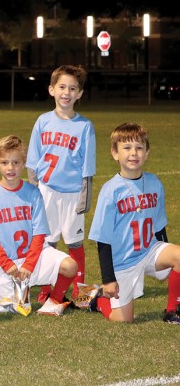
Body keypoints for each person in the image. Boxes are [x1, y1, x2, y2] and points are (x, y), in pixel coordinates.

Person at [0, 135, 78, 316]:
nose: (10, 168)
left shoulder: (33, 193)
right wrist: (6, 264)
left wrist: (29, 264)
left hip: (34, 258)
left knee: (70, 266)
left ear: (23, 163)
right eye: (4, 162)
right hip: (7, 265)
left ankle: (55, 300)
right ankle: (19, 292)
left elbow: (39, 234)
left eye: (16, 162)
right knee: (10, 310)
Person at [88, 123, 180, 324]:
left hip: (149, 250)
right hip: (123, 260)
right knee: (123, 320)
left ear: (146, 153)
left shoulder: (154, 182)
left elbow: (159, 226)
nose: (133, 153)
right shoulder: (110, 190)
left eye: (139, 147)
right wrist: (109, 279)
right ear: (115, 153)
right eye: (126, 148)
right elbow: (103, 240)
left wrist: (169, 260)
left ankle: (173, 310)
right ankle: (98, 298)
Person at [26, 64, 95, 301]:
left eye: (72, 88)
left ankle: (79, 287)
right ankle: (47, 287)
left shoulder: (85, 126)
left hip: (74, 192)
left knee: (75, 241)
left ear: (80, 94)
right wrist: (34, 191)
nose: (67, 92)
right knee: (47, 241)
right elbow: (33, 160)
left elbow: (88, 165)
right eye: (62, 87)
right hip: (46, 191)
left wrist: (85, 194)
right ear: (51, 89)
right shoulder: (43, 121)